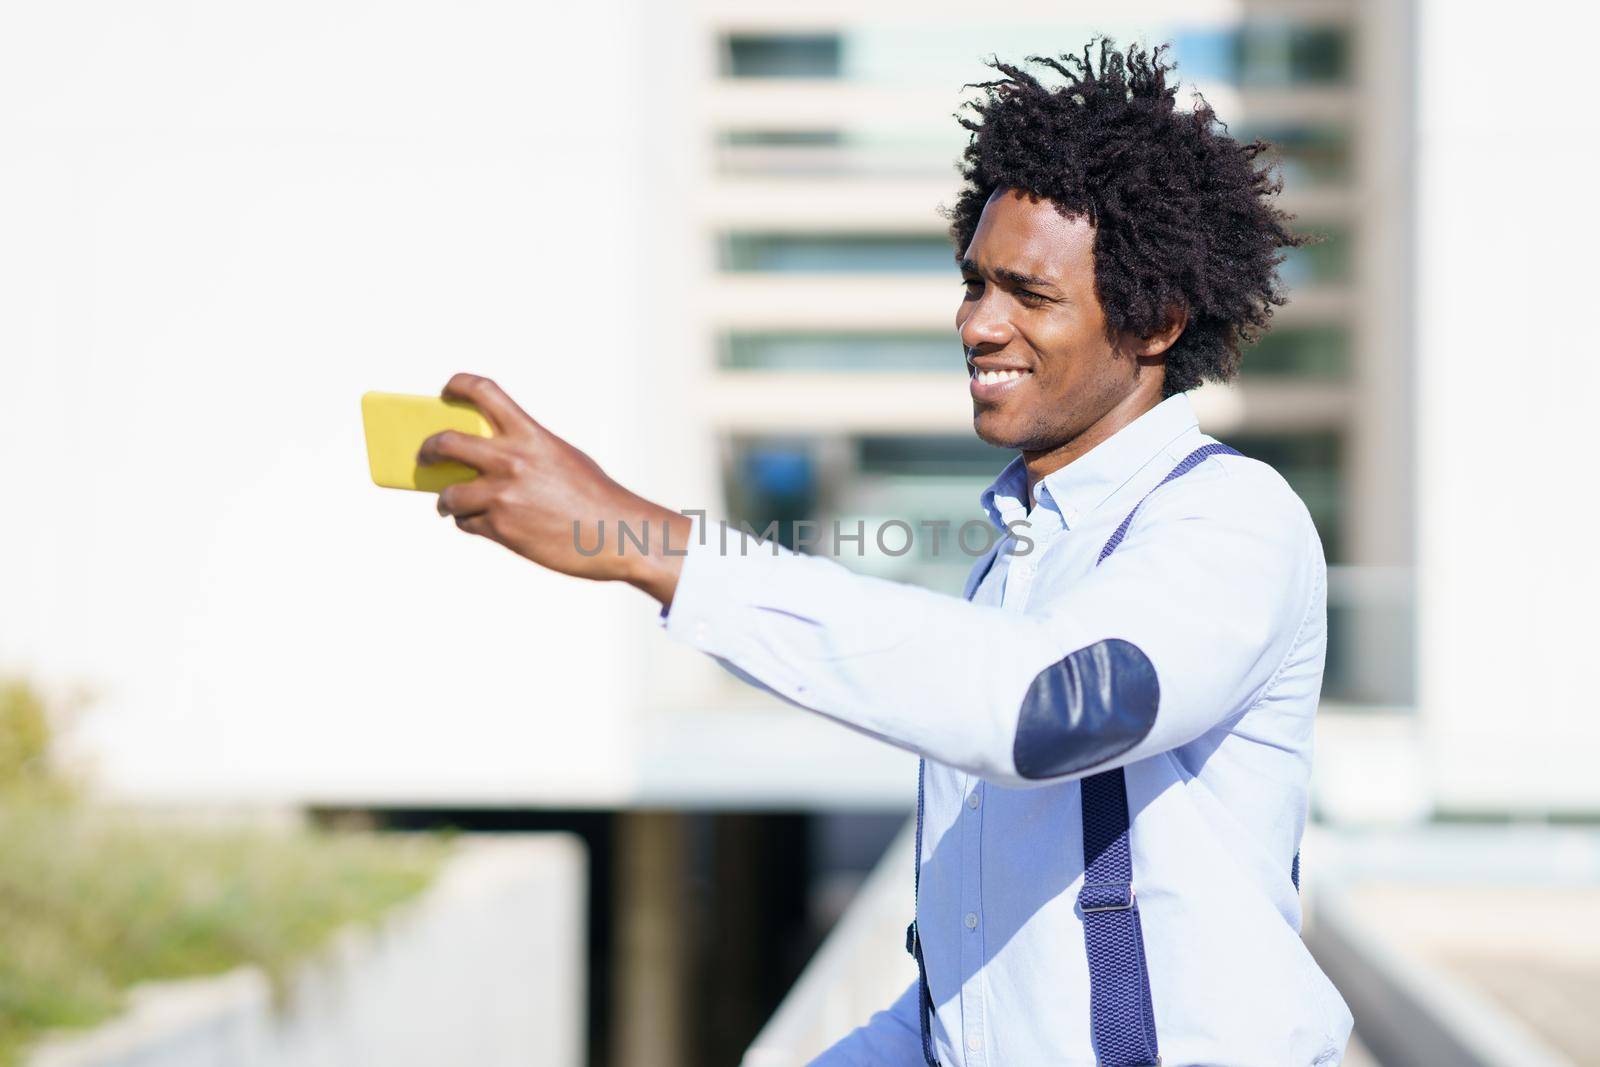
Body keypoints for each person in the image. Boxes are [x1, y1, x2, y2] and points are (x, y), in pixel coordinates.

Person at [418, 37, 1353, 1067]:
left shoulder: (1231, 521)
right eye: (972, 282)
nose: (975, 322)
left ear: (1155, 323)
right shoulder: (1010, 563)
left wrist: (653, 542)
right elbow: (975, 996)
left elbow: (1038, 709)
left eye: (1027, 294)